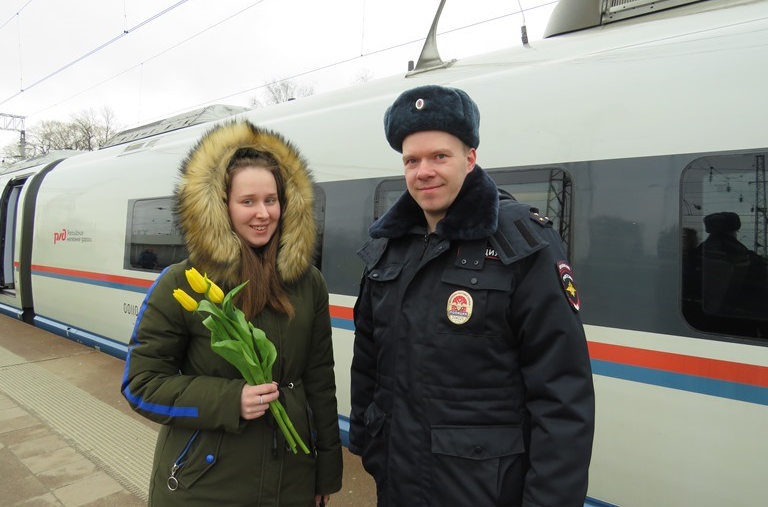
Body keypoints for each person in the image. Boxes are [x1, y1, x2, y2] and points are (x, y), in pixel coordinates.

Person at [349, 85, 595, 506]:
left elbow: (562, 394)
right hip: (400, 482)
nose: (423, 171)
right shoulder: (389, 246)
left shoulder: (523, 243)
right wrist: (369, 442)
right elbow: (369, 361)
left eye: (439, 156)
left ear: (470, 158)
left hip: (484, 489)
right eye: (412, 160)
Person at [122, 121, 342, 506]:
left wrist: (325, 473)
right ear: (220, 207)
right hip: (206, 482)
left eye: (271, 200)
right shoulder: (182, 283)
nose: (263, 214)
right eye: (248, 201)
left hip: (292, 479)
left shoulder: (309, 283)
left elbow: (320, 383)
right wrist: (230, 399)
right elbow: (141, 384)